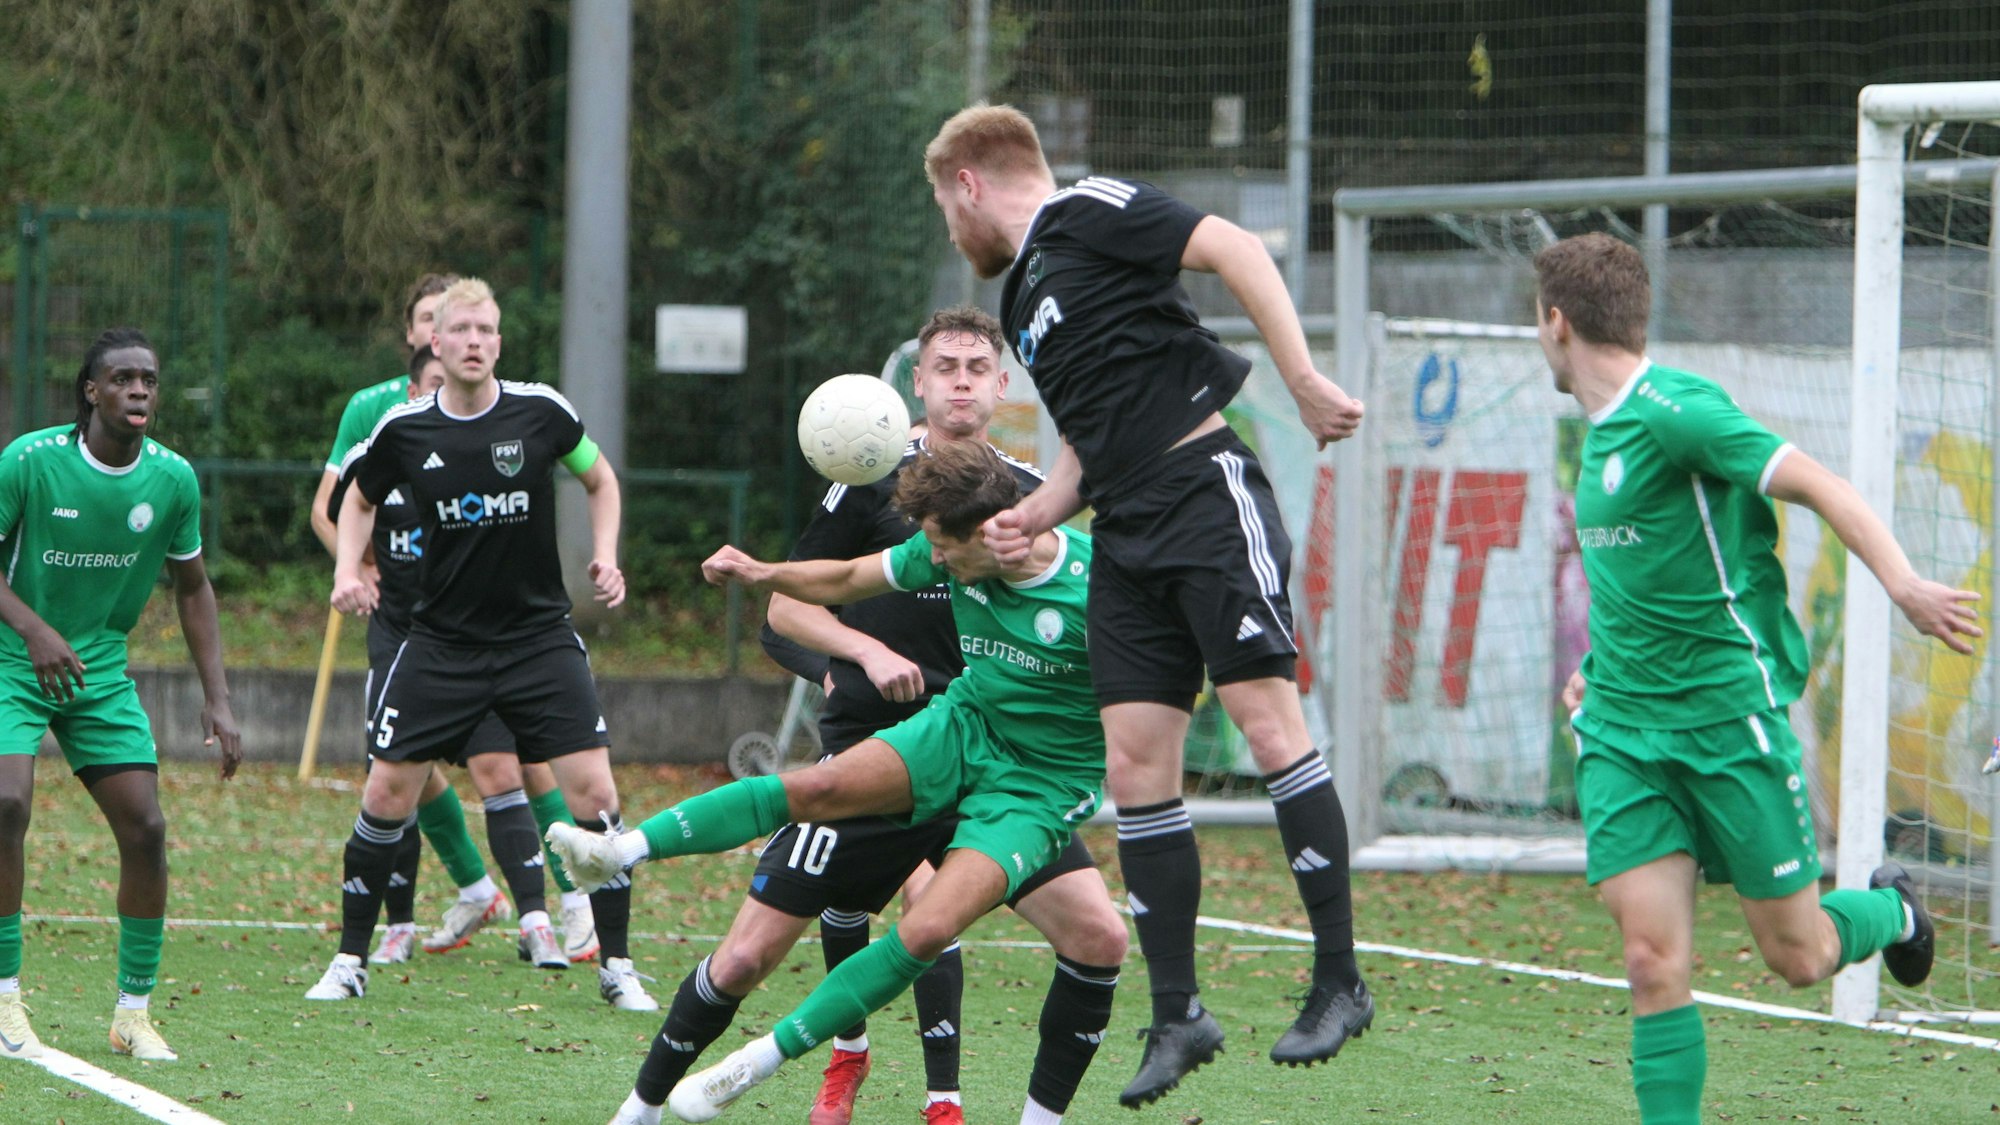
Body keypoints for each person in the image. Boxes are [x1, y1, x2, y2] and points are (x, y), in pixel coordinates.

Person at [923, 104, 1370, 1104]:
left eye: (946, 213)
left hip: (1201, 496)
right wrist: (1035, 511)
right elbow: (1090, 432)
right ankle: (1176, 1014)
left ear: (967, 184)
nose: (954, 241)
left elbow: (1235, 249)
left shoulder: (1085, 210)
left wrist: (1297, 377)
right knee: (1133, 767)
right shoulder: (1034, 292)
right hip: (1121, 530)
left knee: (1267, 727)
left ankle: (1338, 980)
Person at [599, 308, 1124, 1125]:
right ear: (915, 379)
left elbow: (1146, 666)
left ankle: (934, 1098)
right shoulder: (879, 476)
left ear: (1000, 383)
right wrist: (846, 643)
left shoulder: (1034, 509)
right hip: (919, 736)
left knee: (1054, 929)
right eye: (942, 365)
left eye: (974, 367)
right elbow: (818, 591)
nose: (958, 381)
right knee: (747, 950)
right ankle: (652, 1067)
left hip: (1021, 770)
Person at [1536, 232, 1963, 1124]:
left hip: (1729, 722)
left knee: (1798, 955)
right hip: (1623, 733)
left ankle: (1891, 913)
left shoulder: (1678, 412)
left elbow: (1824, 485)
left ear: (1556, 323)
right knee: (1653, 962)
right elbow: (1652, 580)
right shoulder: (1602, 430)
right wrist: (1596, 671)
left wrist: (1904, 585)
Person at [308, 277, 652, 1011]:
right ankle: (349, 959)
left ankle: (618, 966)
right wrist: (347, 568)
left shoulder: (541, 411)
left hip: (537, 641)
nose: (474, 342)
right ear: (435, 340)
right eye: (461, 330)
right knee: (384, 792)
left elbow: (601, 479)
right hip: (440, 644)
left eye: (487, 331)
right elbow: (356, 499)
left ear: (499, 340)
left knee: (597, 795)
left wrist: (607, 554)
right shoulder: (404, 430)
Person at [0, 327, 243, 1063]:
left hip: (98, 670)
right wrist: (36, 630)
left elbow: (194, 588)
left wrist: (219, 698)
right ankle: (5, 996)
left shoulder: (171, 480)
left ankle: (132, 1012)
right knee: (6, 803)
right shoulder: (29, 462)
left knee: (146, 827)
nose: (140, 390)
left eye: (150, 379)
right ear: (92, 390)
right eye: (124, 378)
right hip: (12, 659)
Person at [323, 345, 576, 972]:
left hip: (469, 642)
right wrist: (352, 569)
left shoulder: (483, 457)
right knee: (393, 780)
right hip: (401, 639)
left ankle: (538, 920)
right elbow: (338, 509)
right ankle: (397, 925)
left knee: (498, 768)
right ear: (415, 392)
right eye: (434, 385)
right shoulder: (388, 455)